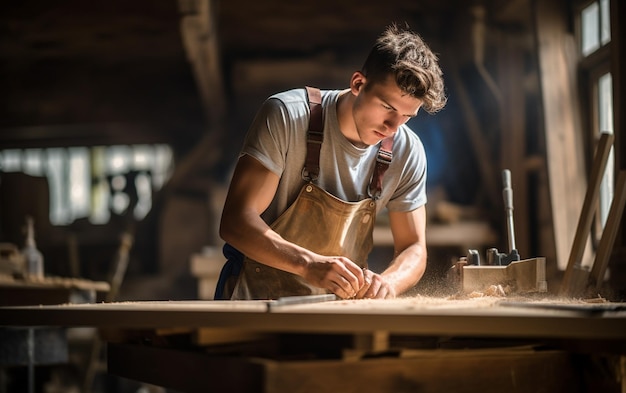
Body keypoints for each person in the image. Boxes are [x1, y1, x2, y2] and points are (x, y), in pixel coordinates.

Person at [215, 23, 447, 300]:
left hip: (337, 310)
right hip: (255, 301)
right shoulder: (287, 117)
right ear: (358, 84)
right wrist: (308, 264)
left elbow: (414, 247)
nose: (392, 127)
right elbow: (235, 222)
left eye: (407, 117)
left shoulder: (407, 151)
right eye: (387, 107)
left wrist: (388, 283)